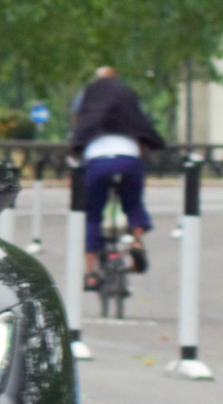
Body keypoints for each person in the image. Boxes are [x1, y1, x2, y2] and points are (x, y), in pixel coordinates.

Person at [67, 66, 165, 287]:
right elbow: (143, 139)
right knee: (133, 204)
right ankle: (137, 243)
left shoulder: (87, 95)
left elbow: (77, 132)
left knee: (92, 215)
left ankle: (91, 273)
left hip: (97, 160)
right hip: (128, 158)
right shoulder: (127, 96)